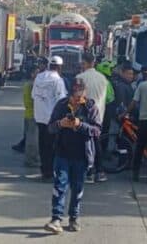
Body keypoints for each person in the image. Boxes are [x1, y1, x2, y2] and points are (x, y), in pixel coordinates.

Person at [44, 79, 101, 234]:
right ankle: (56, 218)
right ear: (70, 94)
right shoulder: (61, 105)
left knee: (77, 188)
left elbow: (97, 131)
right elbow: (50, 128)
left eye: (81, 94)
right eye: (75, 94)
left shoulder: (90, 107)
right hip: (62, 153)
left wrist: (80, 125)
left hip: (82, 155)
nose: (78, 98)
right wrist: (60, 124)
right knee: (59, 185)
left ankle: (74, 218)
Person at [32, 56, 68, 181]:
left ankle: (44, 171)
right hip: (52, 119)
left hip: (39, 117)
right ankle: (50, 172)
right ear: (59, 67)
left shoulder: (38, 77)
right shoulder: (58, 80)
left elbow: (33, 96)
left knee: (42, 145)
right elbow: (61, 101)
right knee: (52, 146)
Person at [76, 52, 109, 184]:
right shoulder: (103, 78)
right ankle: (99, 171)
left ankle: (88, 172)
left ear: (85, 63)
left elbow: (77, 97)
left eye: (82, 63)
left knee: (85, 145)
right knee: (96, 142)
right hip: (99, 114)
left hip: (83, 115)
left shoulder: (80, 77)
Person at [23, 67, 41, 168]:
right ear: (32, 75)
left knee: (31, 138)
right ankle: (30, 159)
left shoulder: (29, 85)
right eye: (37, 73)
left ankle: (32, 157)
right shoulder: (32, 86)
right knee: (32, 139)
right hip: (32, 114)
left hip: (29, 114)